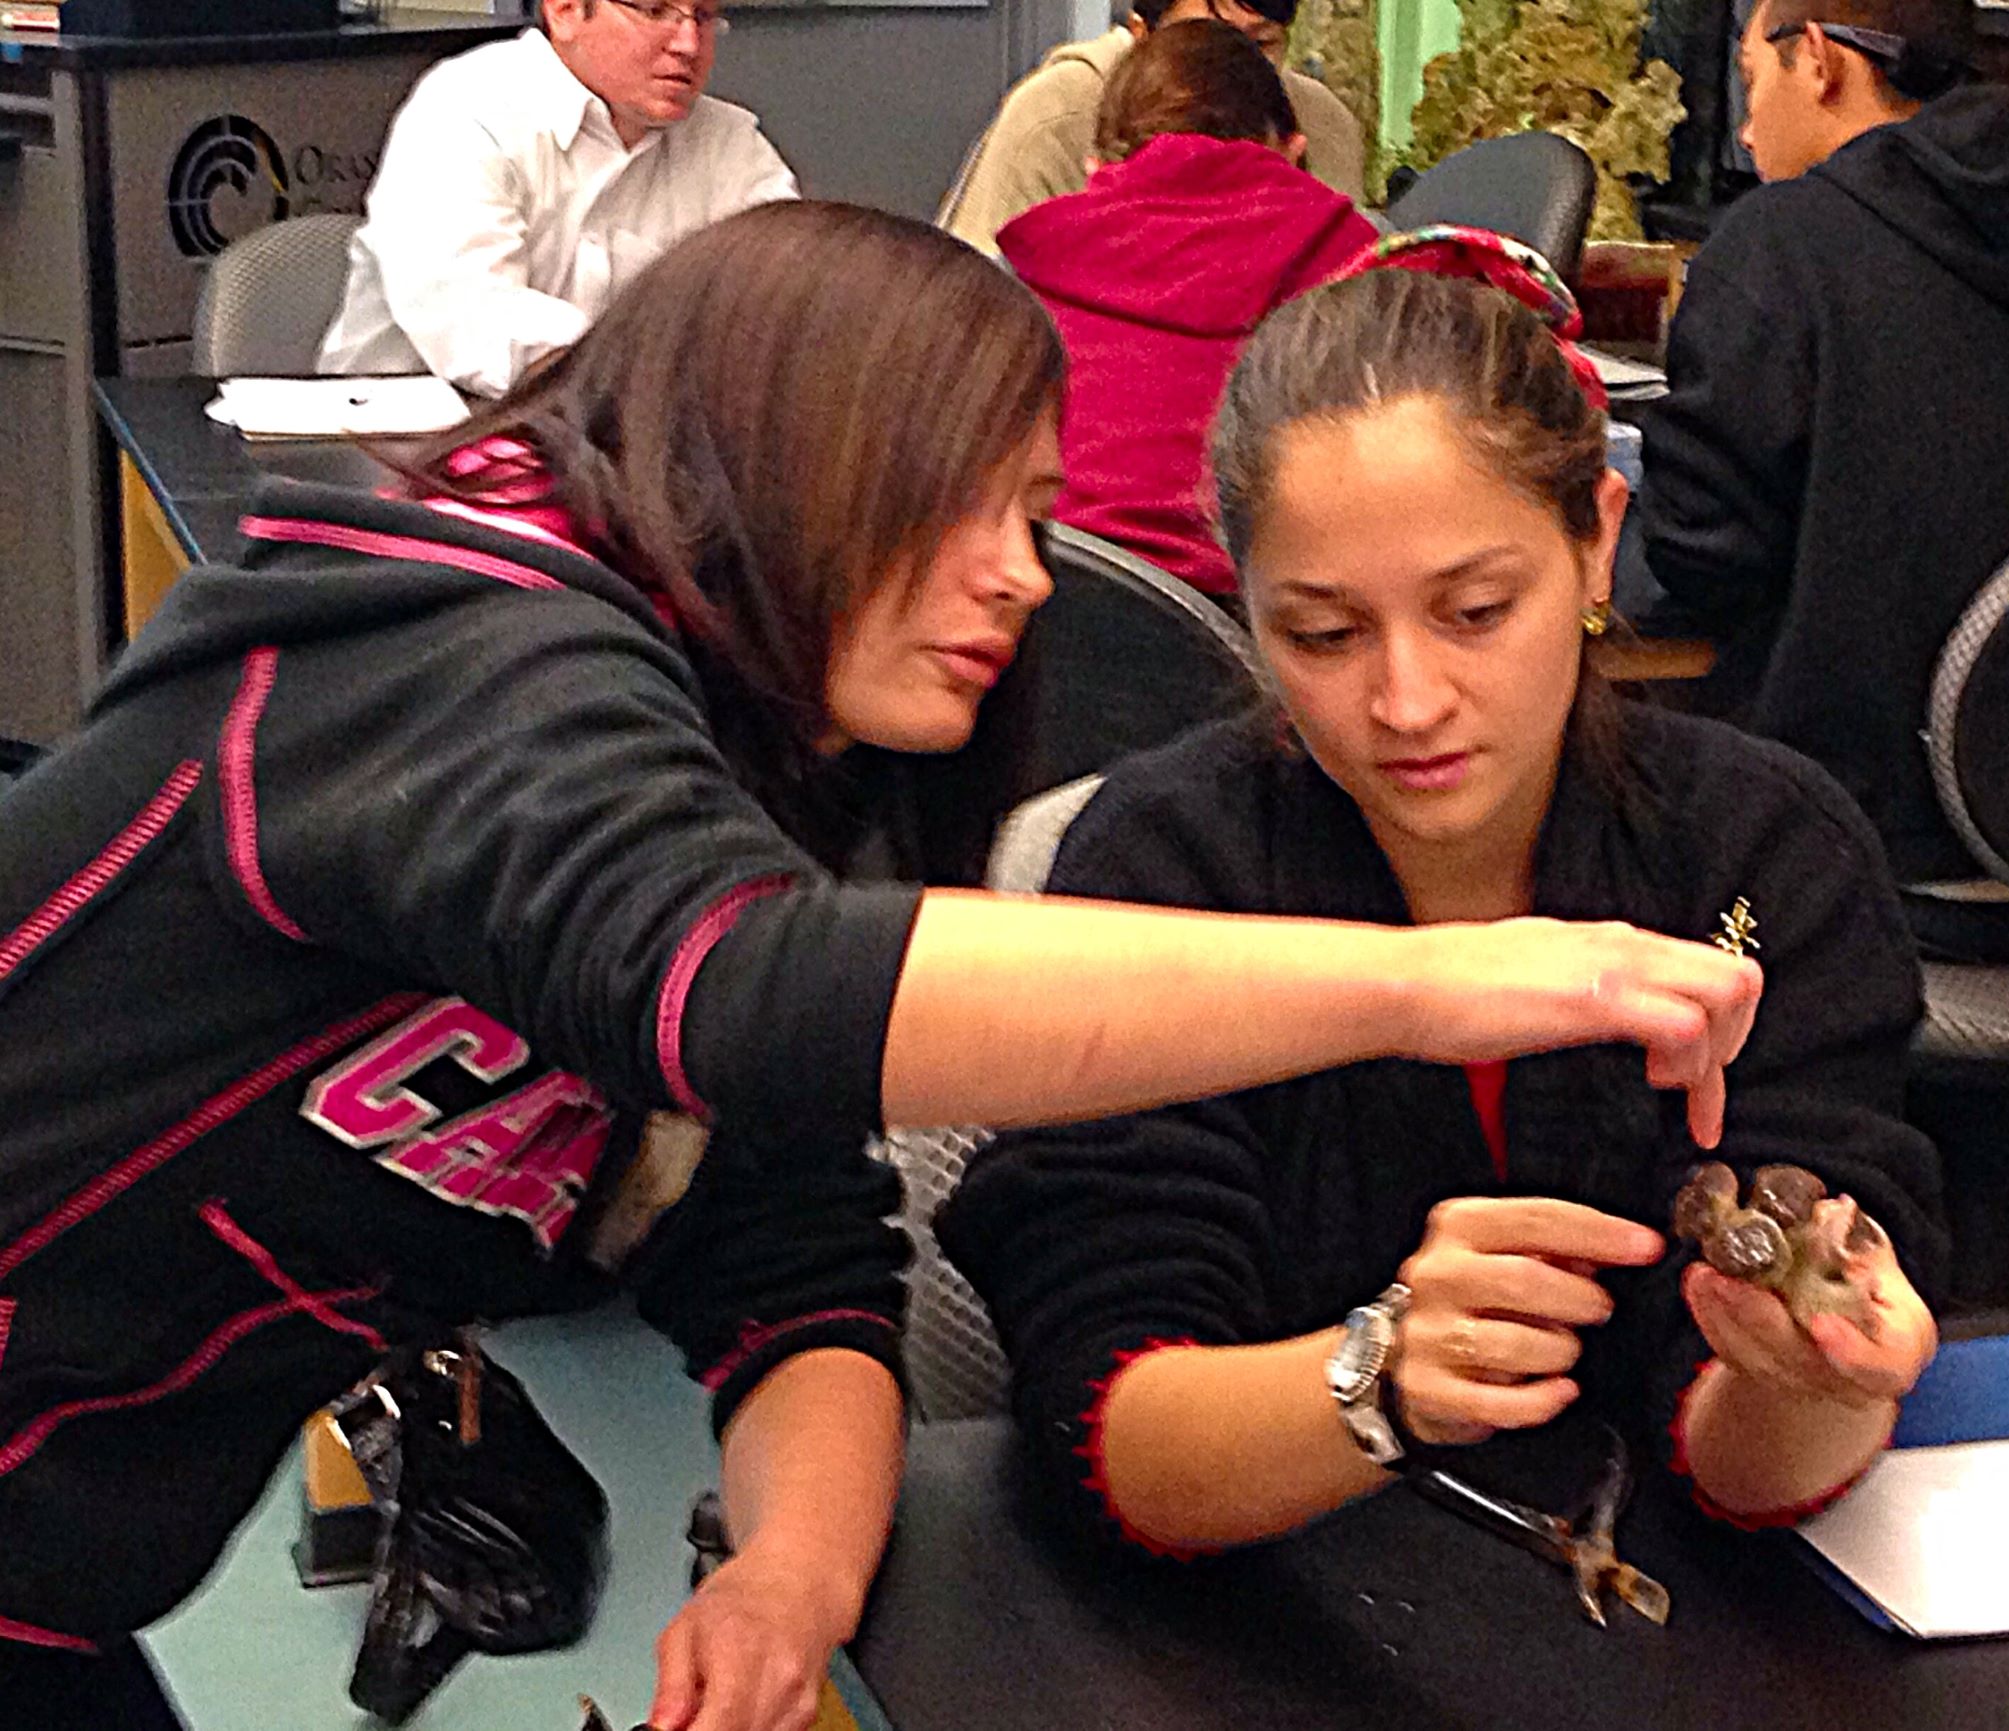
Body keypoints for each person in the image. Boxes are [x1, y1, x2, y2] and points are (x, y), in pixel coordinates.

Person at [0, 205, 1765, 1731]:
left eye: (1037, 512)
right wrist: (1436, 979)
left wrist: (784, 1580)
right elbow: (741, 986)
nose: (1018, 579)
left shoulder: (726, 788)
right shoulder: (454, 640)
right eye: (962, 503)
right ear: (781, 449)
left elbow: (799, 1274)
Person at [940, 238, 1947, 1562]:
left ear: (1597, 541)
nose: (1407, 702)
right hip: (1257, 1610)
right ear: (1240, 602)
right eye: (1321, 632)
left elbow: (1748, 1455)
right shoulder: (1164, 866)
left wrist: (1807, 1364)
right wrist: (1379, 1381)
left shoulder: (1761, 845)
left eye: (1475, 609)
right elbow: (1111, 1421)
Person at [1632, 0, 2009, 887]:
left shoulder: (1774, 251)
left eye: (1752, 82)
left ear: (1817, 61)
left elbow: (1702, 560)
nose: (1745, 133)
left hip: (1856, 855)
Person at [1000, 21, 1377, 596]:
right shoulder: (1355, 263)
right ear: (1295, 153)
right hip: (1267, 623)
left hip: (1049, 614)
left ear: (1095, 168)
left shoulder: (1016, 278)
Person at [317, 0, 797, 396]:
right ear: (565, 11)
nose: (688, 44)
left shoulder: (729, 143)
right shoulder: (466, 108)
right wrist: (653, 375)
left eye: (705, 17)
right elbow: (473, 318)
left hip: (628, 448)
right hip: (407, 449)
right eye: (655, 12)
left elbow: (783, 303)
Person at [937, 0, 1366, 257]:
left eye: (1261, 45)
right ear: (1141, 32)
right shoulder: (1055, 118)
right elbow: (979, 321)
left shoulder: (1326, 126)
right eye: (1201, 41)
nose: (1232, 70)